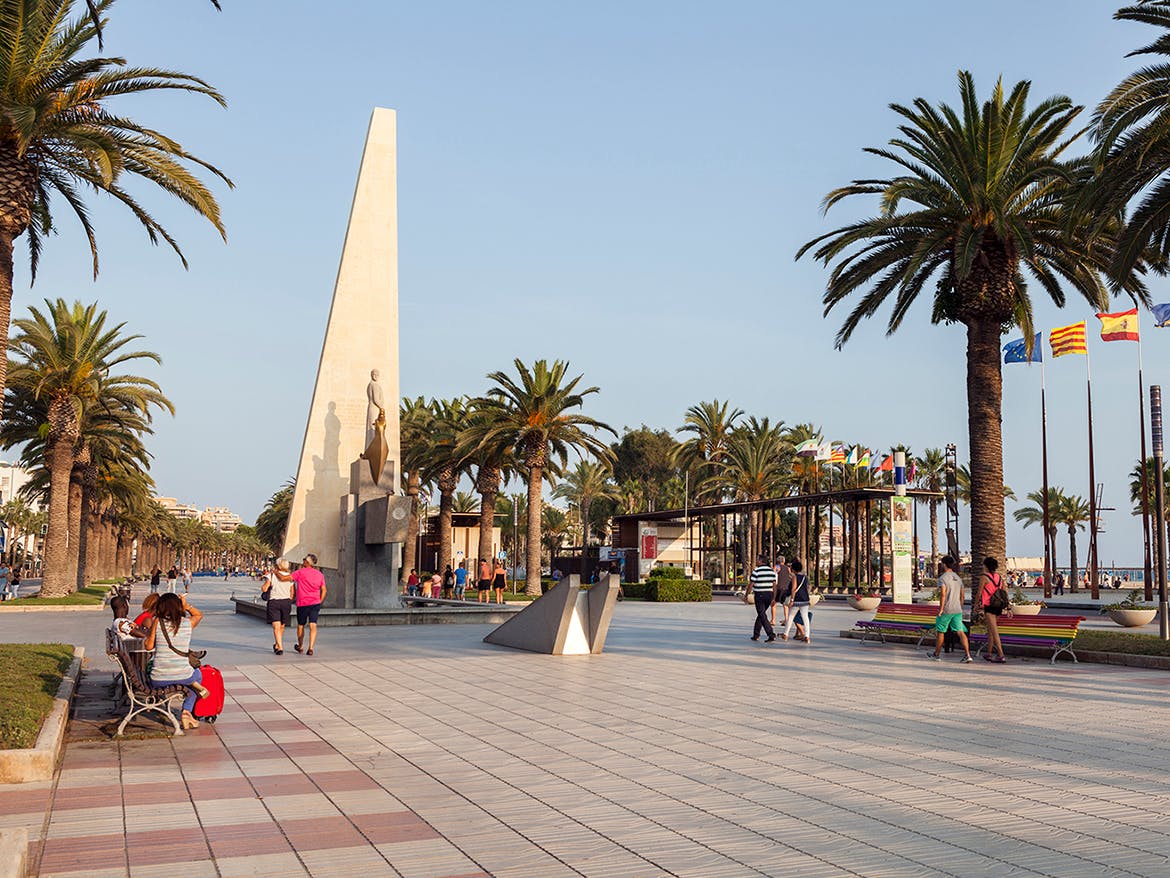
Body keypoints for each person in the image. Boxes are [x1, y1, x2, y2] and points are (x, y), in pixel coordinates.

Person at [144, 593, 209, 730]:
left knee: (191, 686)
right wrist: (187, 606)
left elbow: (148, 646)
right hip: (184, 676)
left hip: (158, 678)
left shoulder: (157, 622)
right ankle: (186, 711)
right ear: (178, 607)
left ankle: (188, 708)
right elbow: (199, 615)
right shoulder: (187, 623)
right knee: (197, 675)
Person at [929, 555, 974, 663]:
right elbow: (962, 595)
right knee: (960, 631)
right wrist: (960, 606)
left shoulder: (943, 578)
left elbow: (943, 595)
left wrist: (941, 609)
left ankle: (936, 654)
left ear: (944, 564)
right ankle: (967, 655)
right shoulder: (958, 578)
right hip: (957, 609)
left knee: (941, 631)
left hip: (947, 609)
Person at [291, 554, 326, 656]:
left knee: (301, 625)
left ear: (307, 562)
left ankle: (301, 646)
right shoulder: (320, 574)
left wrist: (276, 573)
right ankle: (310, 648)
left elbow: (287, 578)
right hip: (315, 603)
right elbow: (324, 590)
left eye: (304, 560)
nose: (303, 561)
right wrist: (320, 600)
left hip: (302, 603)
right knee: (313, 625)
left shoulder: (300, 572)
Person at [978, 556, 1011, 663]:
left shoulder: (984, 577)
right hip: (998, 606)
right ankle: (989, 653)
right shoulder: (999, 577)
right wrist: (1008, 607)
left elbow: (979, 593)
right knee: (991, 630)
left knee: (994, 631)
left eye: (984, 565)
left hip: (989, 606)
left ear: (987, 566)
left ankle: (1001, 655)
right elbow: (1005, 592)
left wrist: (975, 605)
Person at [262, 558, 295, 654]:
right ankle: (278, 645)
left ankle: (279, 646)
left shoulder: (271, 575)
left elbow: (264, 589)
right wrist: (289, 600)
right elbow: (292, 592)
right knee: (282, 626)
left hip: (274, 602)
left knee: (276, 626)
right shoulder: (290, 577)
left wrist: (264, 587)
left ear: (278, 565)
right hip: (286, 602)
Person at [781, 559, 814, 644]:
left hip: (797, 600)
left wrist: (792, 600)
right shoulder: (805, 577)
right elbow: (808, 588)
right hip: (805, 600)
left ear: (793, 569)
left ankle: (785, 634)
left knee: (791, 617)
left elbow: (793, 589)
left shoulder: (795, 577)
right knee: (805, 618)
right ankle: (807, 636)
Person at [747, 556, 778, 643]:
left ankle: (771, 634)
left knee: (762, 614)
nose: (756, 561)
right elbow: (774, 585)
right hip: (769, 594)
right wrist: (774, 597)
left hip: (760, 595)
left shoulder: (756, 571)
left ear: (761, 561)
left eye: (757, 560)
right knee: (761, 614)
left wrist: (747, 594)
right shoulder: (771, 571)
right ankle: (756, 634)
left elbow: (751, 584)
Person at [771, 555, 793, 629]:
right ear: (784, 561)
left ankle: (773, 620)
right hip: (786, 588)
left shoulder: (777, 567)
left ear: (778, 561)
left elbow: (773, 575)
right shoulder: (788, 568)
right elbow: (791, 576)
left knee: (773, 603)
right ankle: (786, 620)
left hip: (778, 587)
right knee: (785, 604)